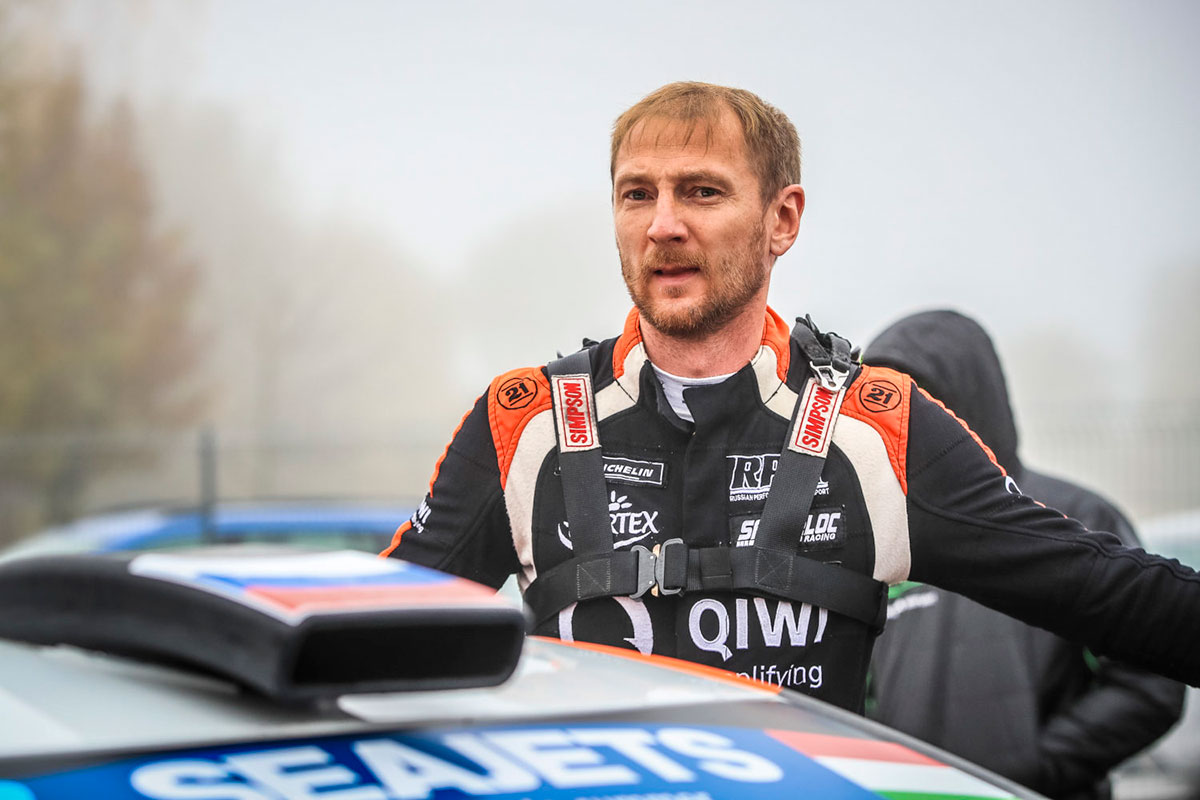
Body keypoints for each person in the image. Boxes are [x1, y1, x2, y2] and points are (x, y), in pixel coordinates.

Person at [384, 81, 1200, 714]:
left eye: (701, 192)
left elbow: (1109, 592)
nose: (663, 224)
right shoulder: (524, 421)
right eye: (638, 195)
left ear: (783, 218)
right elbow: (361, 635)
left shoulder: (873, 428)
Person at [862, 309, 1184, 800]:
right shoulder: (876, 536)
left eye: (926, 402)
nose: (911, 424)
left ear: (972, 403)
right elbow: (849, 687)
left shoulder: (1075, 517)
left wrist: (1037, 766)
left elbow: (1150, 684)